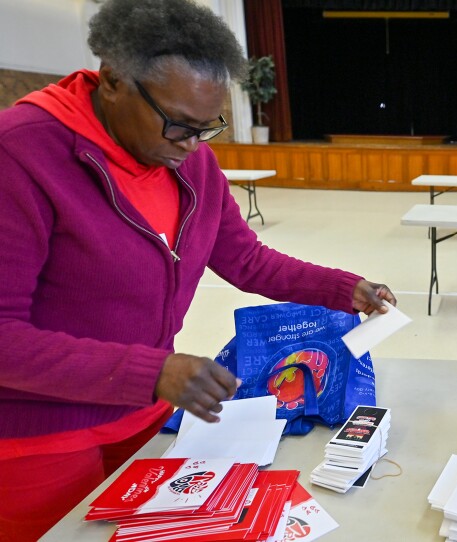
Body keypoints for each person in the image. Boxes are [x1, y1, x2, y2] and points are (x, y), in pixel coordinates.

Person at [0, 0, 395, 539]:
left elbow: (244, 257)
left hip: (138, 410)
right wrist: (153, 371)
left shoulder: (189, 162)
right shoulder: (20, 155)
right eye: (178, 125)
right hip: (41, 432)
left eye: (205, 129)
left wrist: (343, 288)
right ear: (112, 79)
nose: (189, 146)